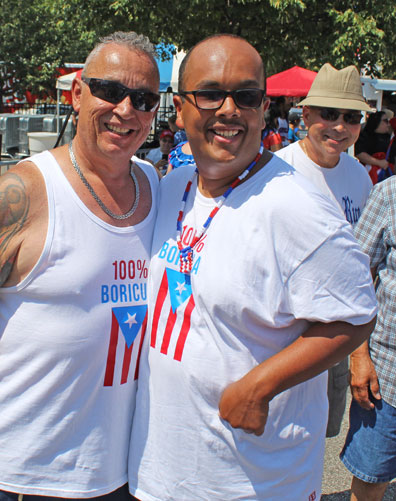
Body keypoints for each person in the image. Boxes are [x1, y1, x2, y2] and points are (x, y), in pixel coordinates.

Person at [128, 34, 377, 500]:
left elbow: (356, 312)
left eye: (246, 96)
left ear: (263, 109)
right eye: (209, 94)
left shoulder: (298, 206)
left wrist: (260, 386)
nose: (228, 110)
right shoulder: (174, 185)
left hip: (253, 482)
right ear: (180, 109)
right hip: (160, 471)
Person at [0, 31, 161, 501]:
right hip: (19, 474)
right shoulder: (23, 193)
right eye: (110, 91)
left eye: (144, 98)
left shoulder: (155, 184)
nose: (126, 110)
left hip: (118, 471)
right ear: (77, 94)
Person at [276, 63, 374, 438]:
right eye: (329, 114)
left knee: (318, 433)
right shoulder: (278, 169)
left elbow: (364, 260)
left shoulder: (358, 175)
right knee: (274, 430)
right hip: (284, 328)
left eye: (351, 117)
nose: (340, 126)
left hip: (335, 329)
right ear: (306, 113)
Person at [340, 176, 396, 500]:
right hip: (388, 372)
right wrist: (359, 356)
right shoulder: (389, 193)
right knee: (372, 477)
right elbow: (356, 276)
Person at [356, 110, 395, 184]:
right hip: (368, 176)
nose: (388, 124)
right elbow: (359, 153)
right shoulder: (365, 136)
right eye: (386, 121)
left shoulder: (389, 138)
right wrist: (379, 162)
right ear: (377, 122)